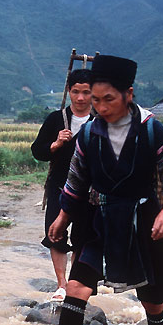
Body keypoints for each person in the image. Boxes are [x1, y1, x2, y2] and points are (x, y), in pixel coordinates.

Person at [29, 54, 163, 325]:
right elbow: (75, 182)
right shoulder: (89, 134)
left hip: (141, 221)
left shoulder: (150, 128)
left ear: (128, 95)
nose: (101, 107)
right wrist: (62, 218)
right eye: (96, 100)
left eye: (108, 99)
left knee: (152, 297)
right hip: (98, 219)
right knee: (75, 289)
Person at [30, 69, 95, 302]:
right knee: (55, 234)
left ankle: (76, 282)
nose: (80, 98)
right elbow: (37, 151)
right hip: (59, 186)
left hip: (89, 191)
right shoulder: (56, 119)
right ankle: (62, 284)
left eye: (86, 92)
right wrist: (56, 144)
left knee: (82, 236)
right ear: (69, 91)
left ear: (93, 93)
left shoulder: (100, 122)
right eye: (75, 92)